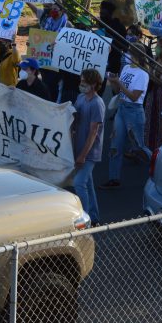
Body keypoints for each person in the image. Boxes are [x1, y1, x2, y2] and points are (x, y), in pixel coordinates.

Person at [101, 43, 152, 189]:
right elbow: (119, 92)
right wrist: (114, 82)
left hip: (134, 111)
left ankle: (157, 165)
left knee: (139, 146)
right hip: (122, 108)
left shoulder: (143, 74)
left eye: (129, 53)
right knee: (115, 144)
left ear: (136, 56)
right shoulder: (126, 68)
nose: (127, 55)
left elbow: (135, 97)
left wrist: (119, 83)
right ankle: (113, 178)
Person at [72, 69, 105, 224]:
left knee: (79, 183)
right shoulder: (80, 98)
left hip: (90, 152)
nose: (81, 83)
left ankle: (85, 221)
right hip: (80, 147)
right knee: (88, 185)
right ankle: (95, 217)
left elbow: (93, 132)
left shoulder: (97, 104)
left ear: (93, 84)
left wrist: (83, 156)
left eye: (84, 81)